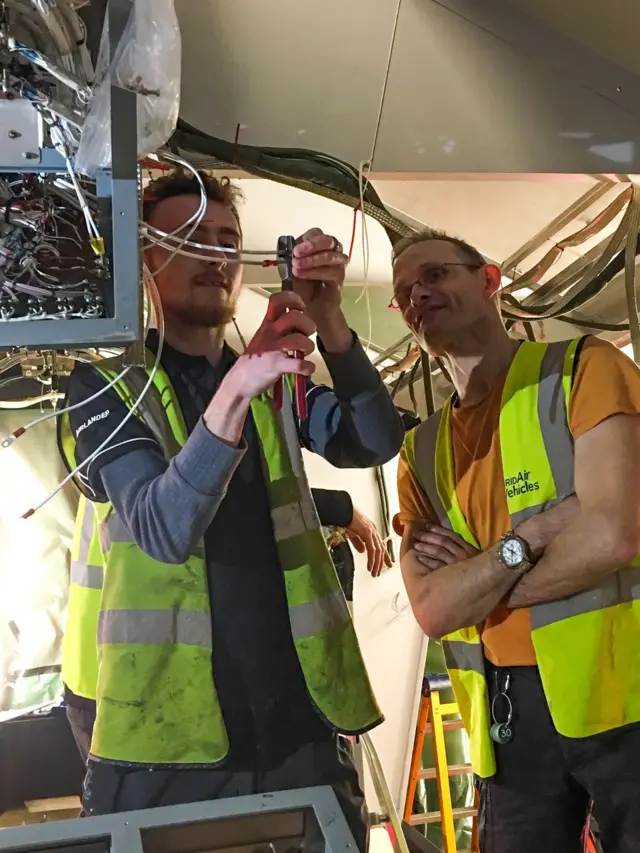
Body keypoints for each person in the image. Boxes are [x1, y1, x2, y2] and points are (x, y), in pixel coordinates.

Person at [57, 170, 404, 850]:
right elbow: (163, 526)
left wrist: (330, 320)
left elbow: (374, 438)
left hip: (297, 727)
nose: (215, 255)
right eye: (188, 239)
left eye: (226, 240)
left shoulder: (273, 377)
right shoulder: (106, 385)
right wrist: (239, 385)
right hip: (167, 741)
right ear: (145, 260)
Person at [391, 228, 640, 853]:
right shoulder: (419, 452)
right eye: (403, 291)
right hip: (509, 716)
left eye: (436, 275)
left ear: (490, 280)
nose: (418, 293)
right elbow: (433, 610)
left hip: (625, 690)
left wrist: (477, 580)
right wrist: (534, 533)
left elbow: (616, 533)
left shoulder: (584, 369)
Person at [63, 489, 390, 760]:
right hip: (129, 684)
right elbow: (221, 504)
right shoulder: (139, 457)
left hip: (95, 673)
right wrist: (339, 508)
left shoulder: (111, 443)